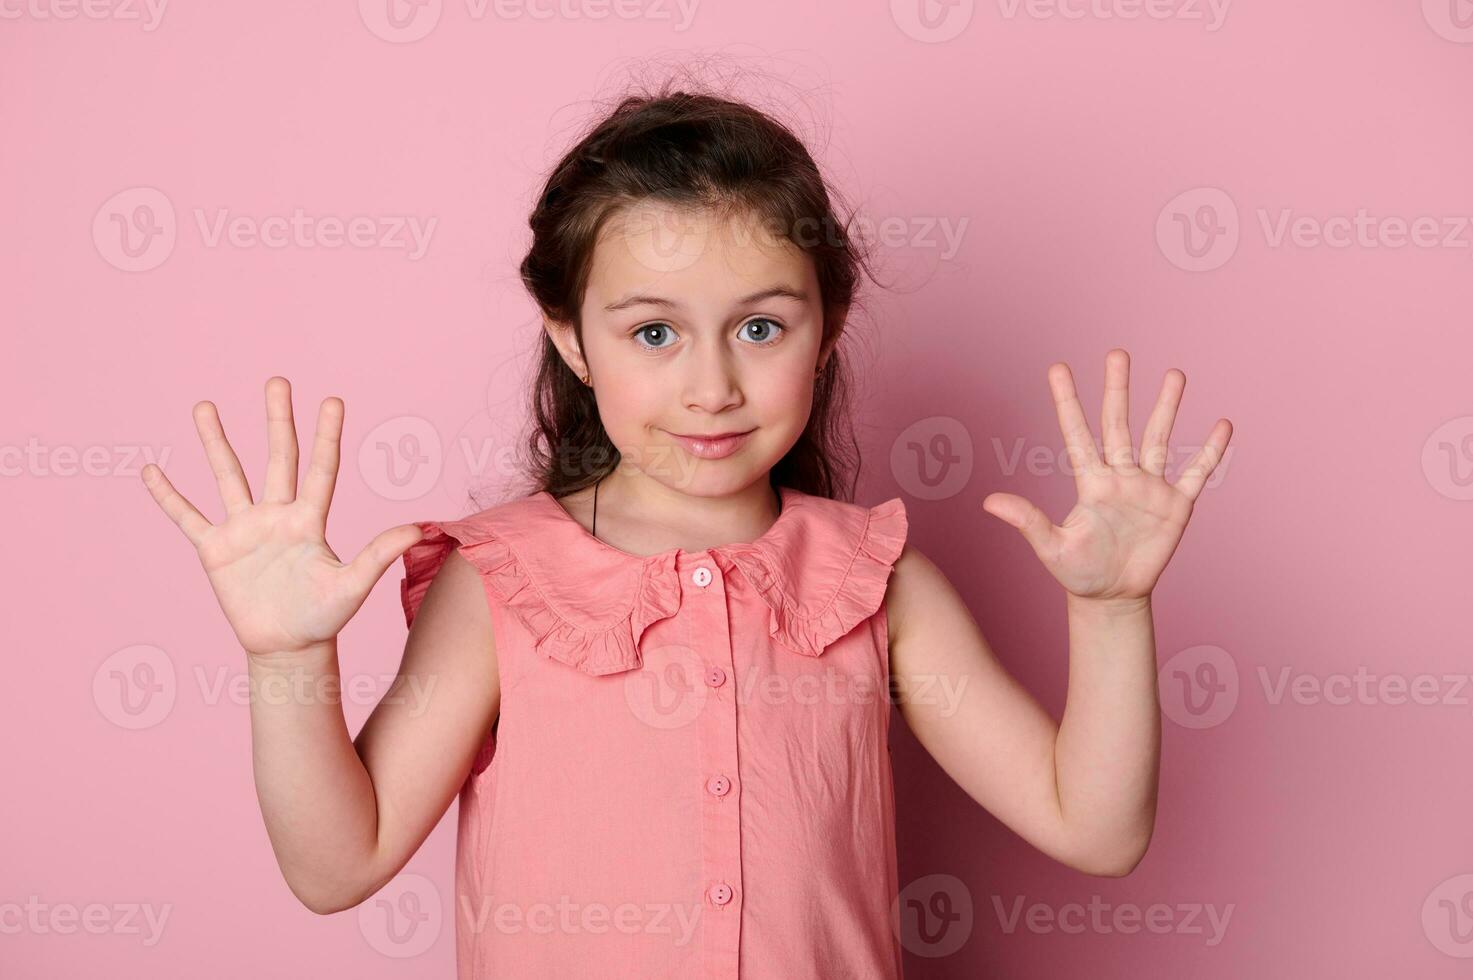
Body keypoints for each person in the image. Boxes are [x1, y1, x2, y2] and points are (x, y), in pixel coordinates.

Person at [141, 86, 1232, 979]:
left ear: (828, 327)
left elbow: (1094, 828)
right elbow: (338, 863)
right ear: (570, 337)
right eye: (653, 330)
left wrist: (1111, 608)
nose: (711, 385)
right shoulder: (501, 582)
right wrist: (288, 659)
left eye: (760, 326)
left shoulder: (877, 582)